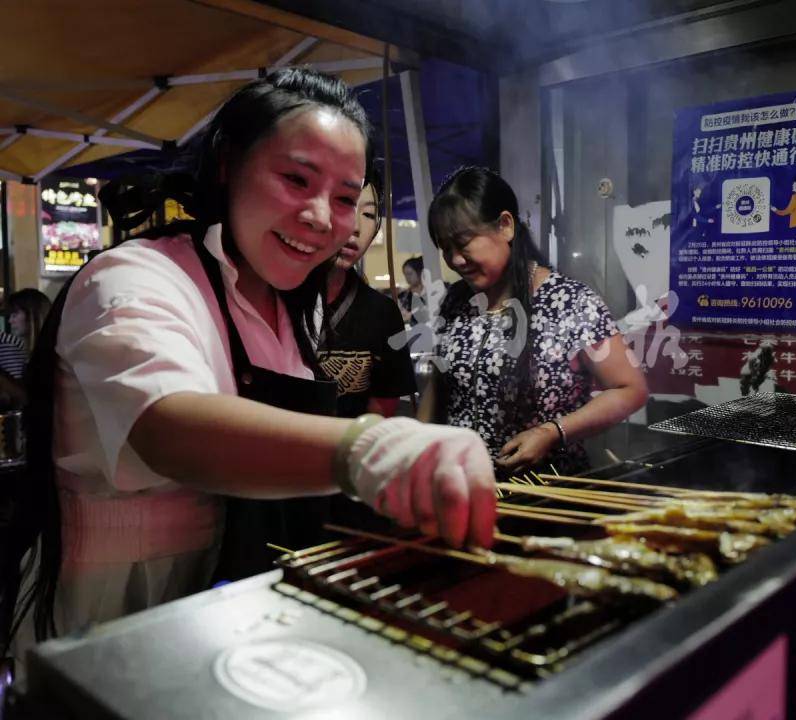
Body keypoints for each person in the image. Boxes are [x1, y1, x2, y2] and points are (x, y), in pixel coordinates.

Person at [1, 69, 495, 660]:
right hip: (111, 614)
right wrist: (370, 448)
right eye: (295, 179)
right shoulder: (136, 277)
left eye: (345, 198)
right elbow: (169, 428)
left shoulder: (291, 309)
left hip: (235, 608)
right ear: (227, 164)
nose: (321, 217)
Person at [418, 166, 648, 476]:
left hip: (545, 492)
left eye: (463, 242)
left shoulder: (571, 302)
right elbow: (439, 383)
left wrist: (552, 432)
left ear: (505, 226)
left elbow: (629, 389)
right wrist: (412, 450)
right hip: (461, 488)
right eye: (445, 248)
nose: (456, 260)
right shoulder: (457, 300)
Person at [319, 174, 415, 418]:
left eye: (369, 215)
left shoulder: (382, 314)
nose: (356, 227)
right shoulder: (274, 296)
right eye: (343, 203)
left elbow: (379, 417)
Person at [0, 289, 52, 407]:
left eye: (15, 314)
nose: (10, 320)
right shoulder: (32, 353)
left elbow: (31, 399)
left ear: (32, 315)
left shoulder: (47, 354)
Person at [398, 257, 428, 326]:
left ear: (419, 272)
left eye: (410, 274)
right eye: (405, 274)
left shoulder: (433, 292)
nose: (407, 278)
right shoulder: (402, 297)